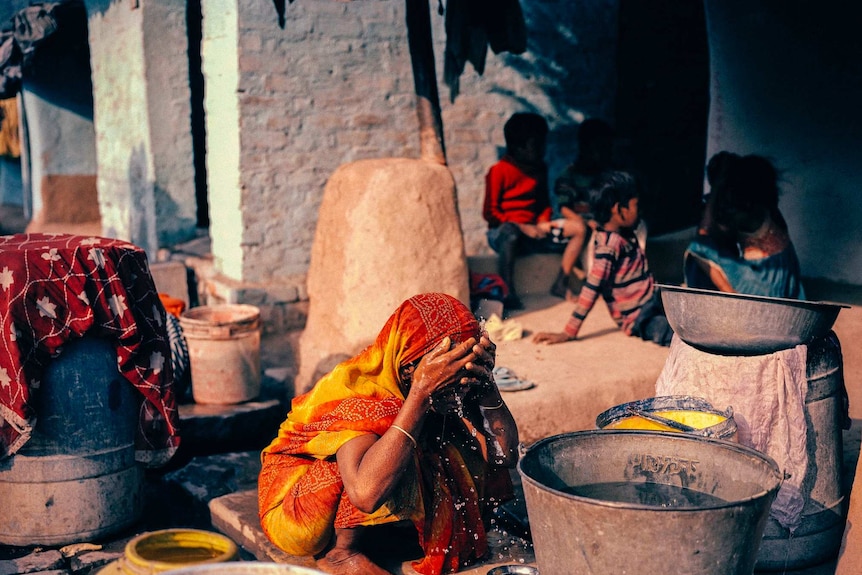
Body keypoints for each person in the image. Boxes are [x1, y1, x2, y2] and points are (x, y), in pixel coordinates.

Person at [258, 293, 519, 575]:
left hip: (370, 487)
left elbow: (503, 457)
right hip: (300, 512)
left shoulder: (456, 382)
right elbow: (365, 493)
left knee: (456, 444)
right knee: (395, 442)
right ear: (409, 369)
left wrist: (486, 386)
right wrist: (421, 393)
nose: (460, 387)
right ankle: (342, 553)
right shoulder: (360, 392)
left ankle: (393, 535)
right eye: (451, 377)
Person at [532, 171, 672, 347]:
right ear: (618, 209)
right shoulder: (609, 246)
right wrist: (568, 332)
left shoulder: (625, 232)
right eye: (635, 205)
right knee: (670, 333)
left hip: (652, 299)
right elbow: (592, 288)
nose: (639, 210)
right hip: (638, 317)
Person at [482, 112, 585, 308]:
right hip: (506, 233)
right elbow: (490, 214)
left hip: (534, 232)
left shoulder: (540, 169)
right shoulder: (499, 171)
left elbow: (544, 204)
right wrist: (521, 227)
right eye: (536, 145)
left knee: (578, 228)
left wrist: (543, 222)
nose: (542, 150)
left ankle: (561, 284)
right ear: (517, 147)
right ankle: (508, 292)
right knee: (510, 233)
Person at [684, 153, 806, 299]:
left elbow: (704, 233)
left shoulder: (742, 211)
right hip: (786, 281)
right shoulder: (771, 210)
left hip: (765, 284)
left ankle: (735, 299)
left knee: (698, 248)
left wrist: (717, 186)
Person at [550, 118, 615, 291]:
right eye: (597, 148)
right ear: (585, 147)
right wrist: (584, 222)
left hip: (596, 225)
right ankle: (562, 282)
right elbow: (564, 209)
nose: (602, 154)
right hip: (572, 225)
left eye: (605, 148)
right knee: (587, 232)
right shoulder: (569, 176)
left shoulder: (606, 176)